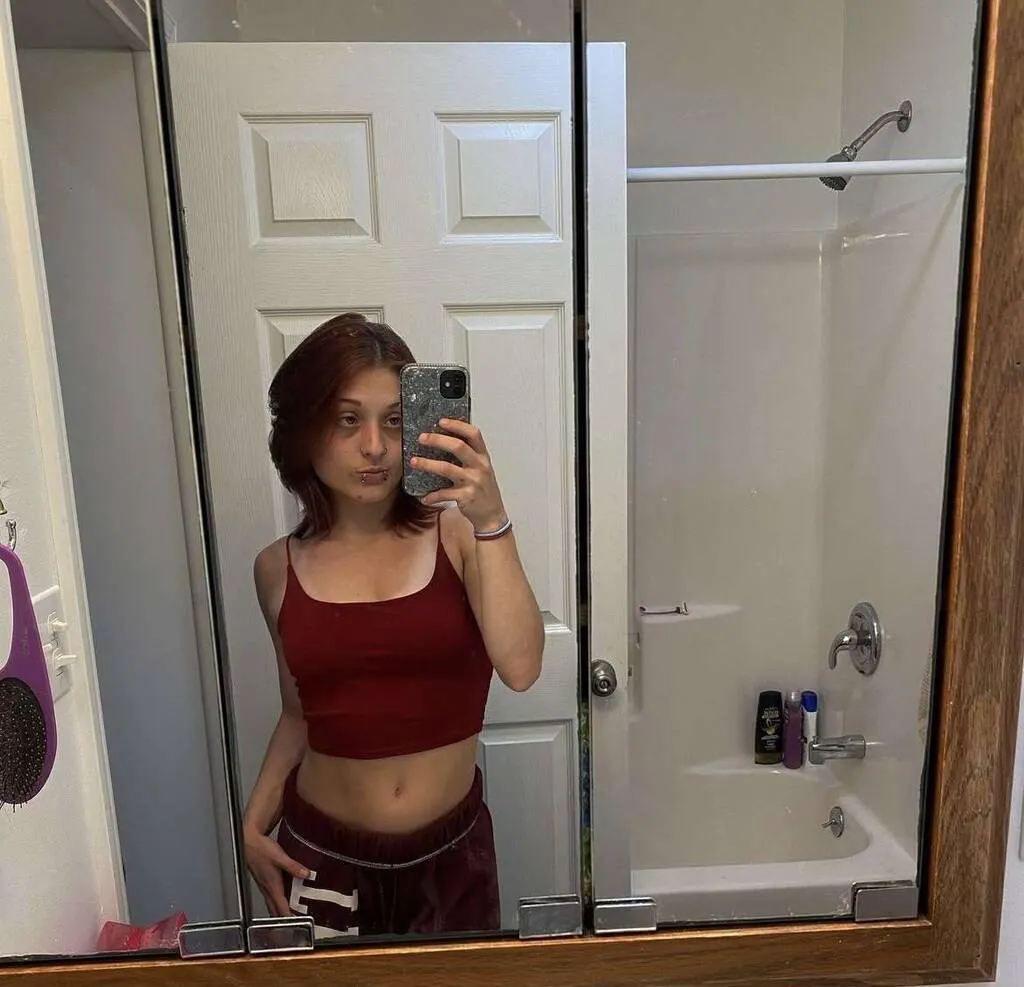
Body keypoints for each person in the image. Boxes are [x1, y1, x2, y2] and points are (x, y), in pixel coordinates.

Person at [241, 312, 544, 940]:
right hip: (320, 857)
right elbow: (298, 713)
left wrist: (493, 518)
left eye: (395, 420)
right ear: (305, 431)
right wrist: (251, 824)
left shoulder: (460, 537)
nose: (375, 446)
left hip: (450, 859)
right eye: (348, 420)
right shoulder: (276, 569)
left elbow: (521, 668)